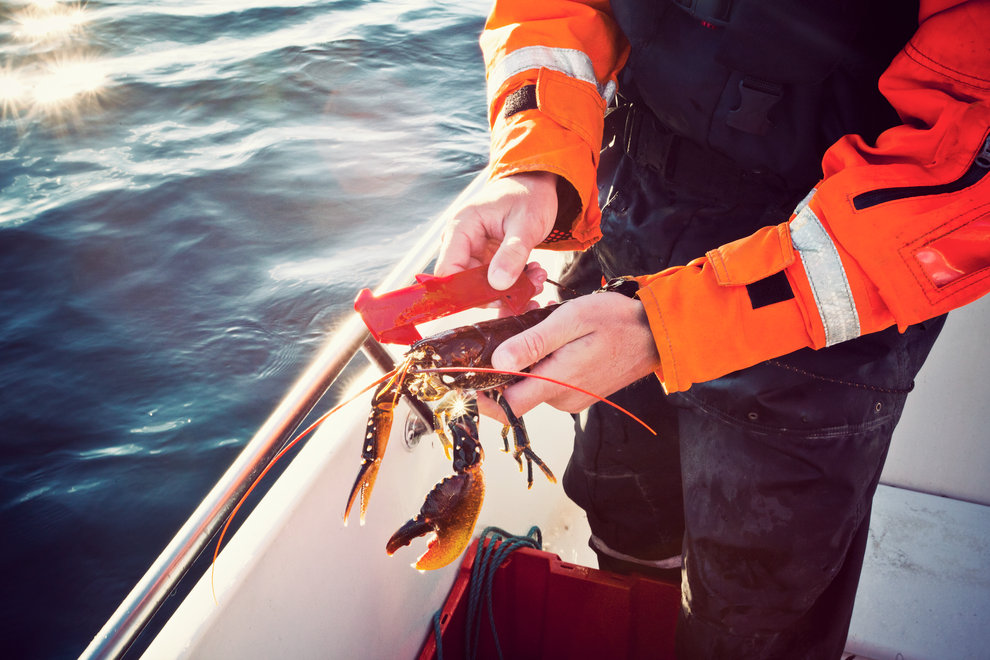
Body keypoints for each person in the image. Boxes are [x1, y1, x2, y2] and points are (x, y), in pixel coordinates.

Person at [436, 1, 989, 657]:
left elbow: (960, 175)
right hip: (637, 217)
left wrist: (668, 325)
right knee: (624, 506)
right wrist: (537, 160)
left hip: (826, 291)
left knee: (757, 598)